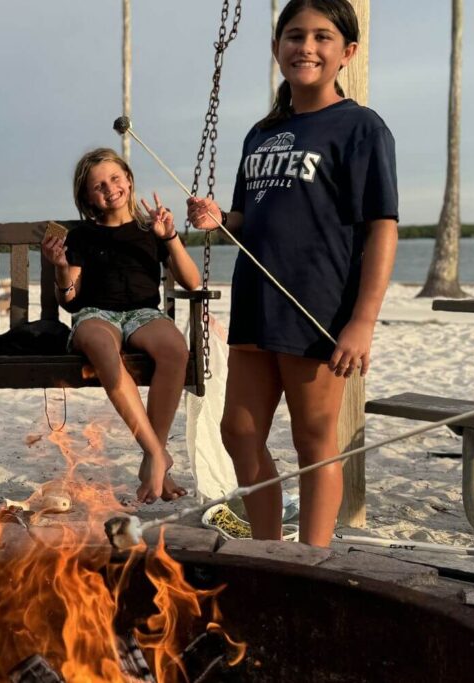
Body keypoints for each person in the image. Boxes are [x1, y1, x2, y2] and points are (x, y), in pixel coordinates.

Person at [187, 0, 398, 547]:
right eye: (294, 35)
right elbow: (244, 218)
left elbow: (382, 227)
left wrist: (363, 322)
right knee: (239, 431)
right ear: (278, 47)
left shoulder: (360, 128)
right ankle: (267, 549)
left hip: (318, 307)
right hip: (257, 303)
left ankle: (312, 559)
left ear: (346, 52)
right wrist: (216, 219)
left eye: (322, 37)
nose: (306, 46)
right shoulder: (261, 132)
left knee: (313, 441)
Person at [41, 148, 201, 504]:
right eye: (98, 185)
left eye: (115, 178)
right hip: (97, 313)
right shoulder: (80, 235)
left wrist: (170, 236)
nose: (109, 188)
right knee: (100, 345)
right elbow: (70, 300)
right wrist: (61, 267)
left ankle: (151, 458)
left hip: (144, 314)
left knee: (175, 349)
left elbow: (192, 282)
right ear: (87, 197)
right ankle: (158, 454)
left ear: (129, 178)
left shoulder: (152, 229)